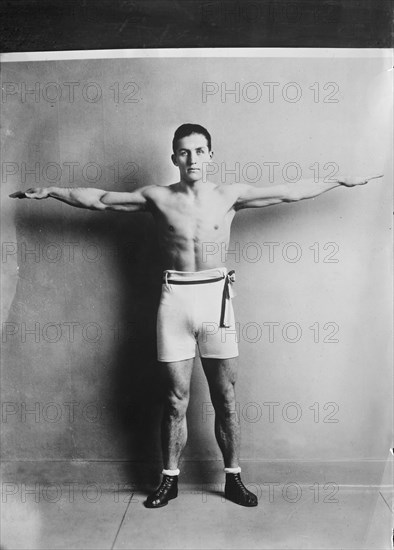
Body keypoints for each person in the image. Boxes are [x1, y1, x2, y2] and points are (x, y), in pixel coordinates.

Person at [10, 123, 382, 509]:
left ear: (210, 155)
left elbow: (288, 192)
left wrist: (338, 180)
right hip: (175, 300)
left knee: (226, 398)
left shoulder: (228, 195)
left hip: (216, 300)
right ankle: (169, 480)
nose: (193, 159)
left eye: (200, 151)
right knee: (175, 400)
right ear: (174, 158)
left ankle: (234, 478)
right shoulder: (157, 197)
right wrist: (52, 191)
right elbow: (100, 199)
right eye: (184, 152)